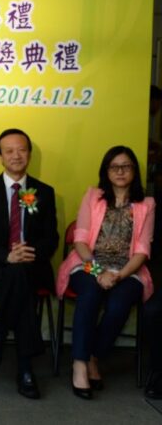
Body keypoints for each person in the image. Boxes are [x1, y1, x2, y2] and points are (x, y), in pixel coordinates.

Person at [0, 128, 58, 399]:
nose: (16, 156)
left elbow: (51, 237)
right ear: (0, 156)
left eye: (21, 150)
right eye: (9, 151)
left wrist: (29, 252)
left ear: (29, 154)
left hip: (31, 264)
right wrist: (6, 255)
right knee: (18, 279)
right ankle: (25, 366)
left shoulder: (44, 192)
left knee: (19, 275)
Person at [56, 145, 154, 400]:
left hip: (128, 269)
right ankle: (79, 364)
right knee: (90, 294)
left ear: (134, 171)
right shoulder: (93, 196)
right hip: (88, 264)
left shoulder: (147, 204)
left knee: (119, 304)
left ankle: (93, 356)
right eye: (114, 167)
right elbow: (80, 241)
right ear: (106, 171)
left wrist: (118, 276)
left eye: (126, 166)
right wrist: (99, 272)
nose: (120, 171)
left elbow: (142, 251)